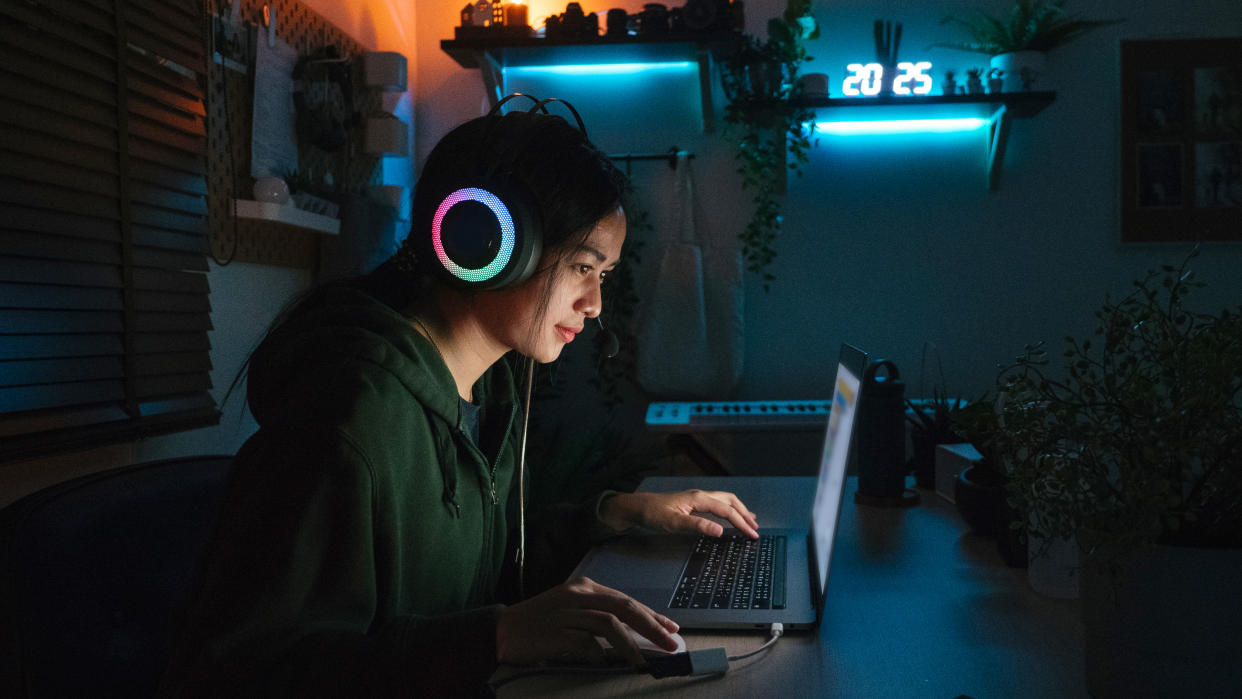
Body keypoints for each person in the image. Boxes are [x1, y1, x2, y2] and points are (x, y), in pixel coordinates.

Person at [159, 102, 758, 698]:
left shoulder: (486, 393)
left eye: (602, 276)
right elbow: (251, 675)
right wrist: (492, 637)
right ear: (482, 242)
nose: (595, 305)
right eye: (581, 266)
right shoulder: (350, 419)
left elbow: (482, 573)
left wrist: (616, 513)